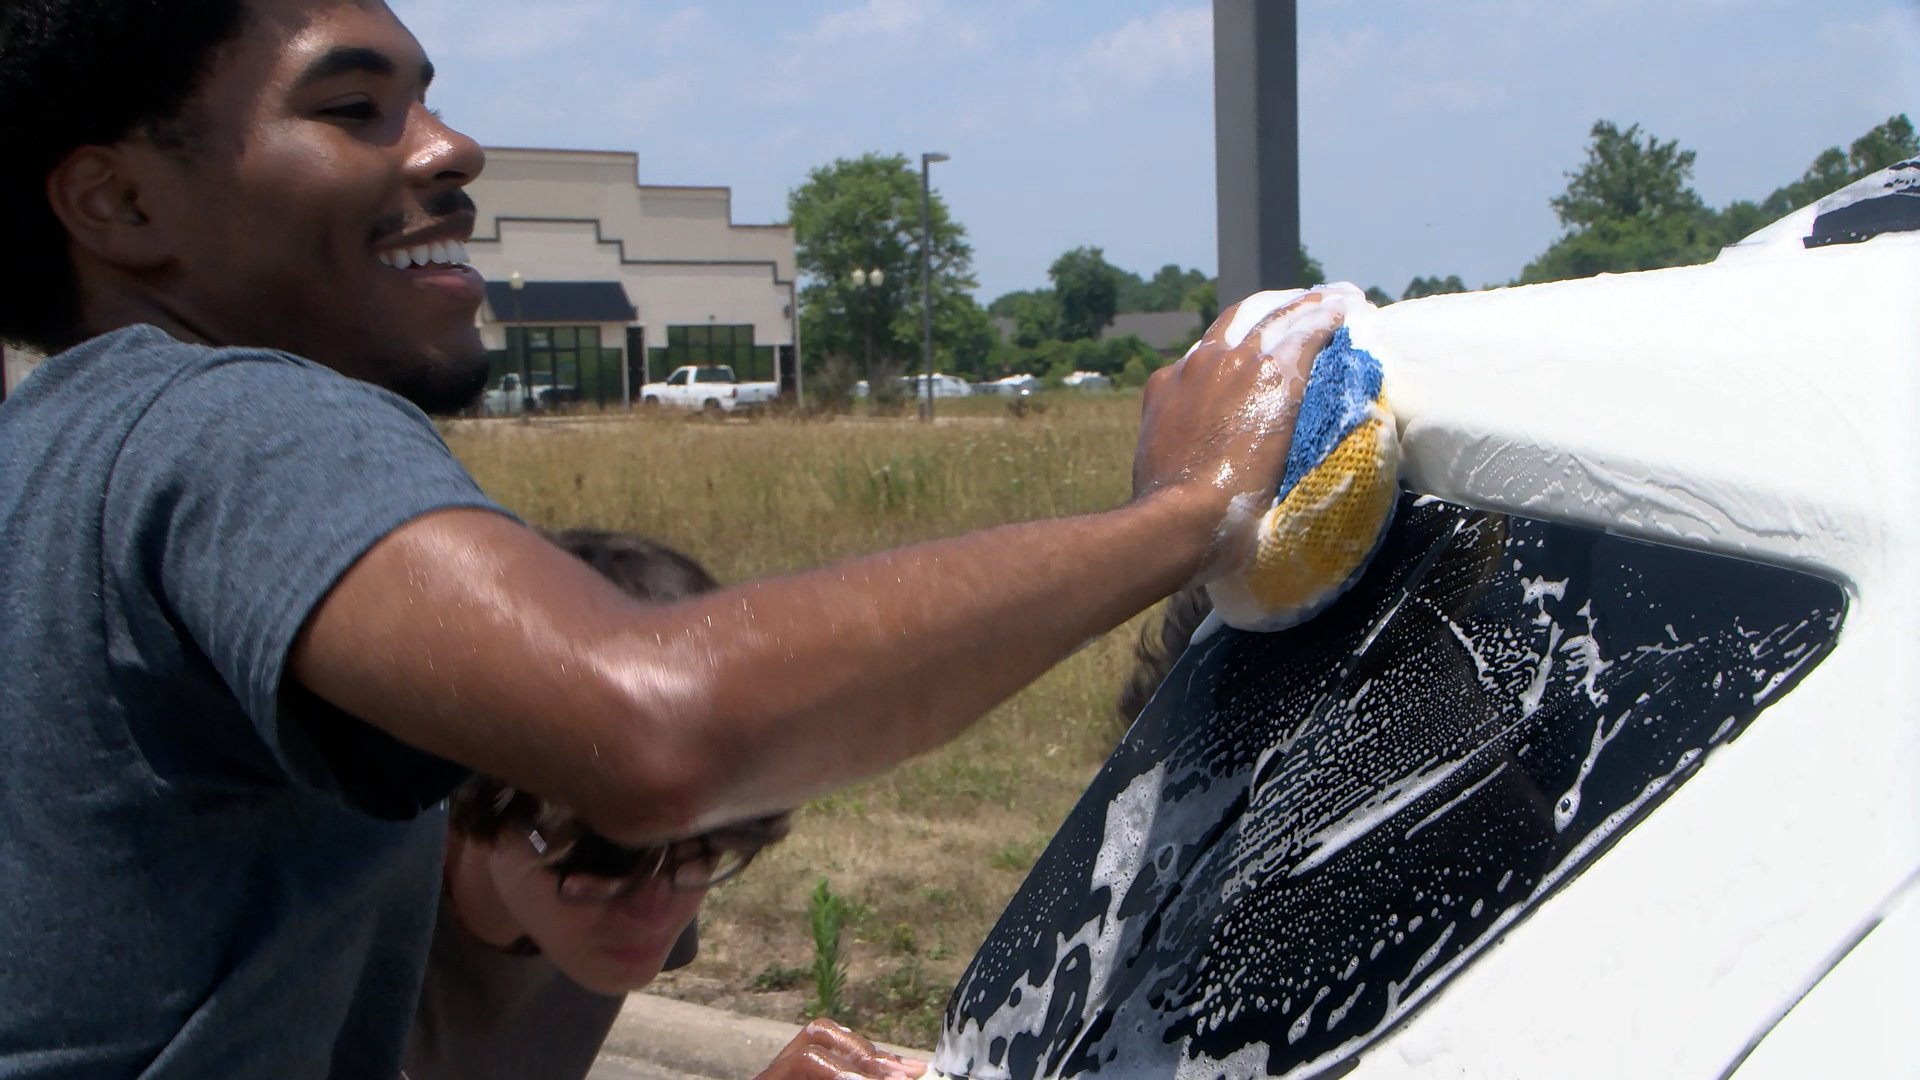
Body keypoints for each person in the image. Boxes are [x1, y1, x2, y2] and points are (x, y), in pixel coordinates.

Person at [0, 2, 1343, 1077]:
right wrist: (1187, 511)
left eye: (426, 94)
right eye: (353, 108)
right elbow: (654, 731)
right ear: (118, 206)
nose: (448, 147)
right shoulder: (220, 415)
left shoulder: (56, 461)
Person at [406, 530, 905, 1080]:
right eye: (605, 866)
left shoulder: (645, 885)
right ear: (481, 791)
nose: (654, 913)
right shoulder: (348, 941)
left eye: (704, 851)